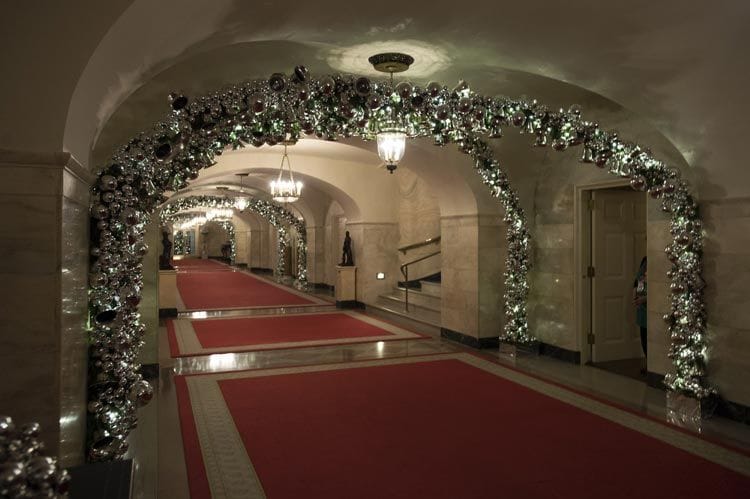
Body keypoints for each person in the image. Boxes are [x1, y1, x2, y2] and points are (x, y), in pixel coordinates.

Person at [633, 256, 648, 360]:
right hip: (642, 308)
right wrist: (635, 297)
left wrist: (644, 299)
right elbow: (638, 282)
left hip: (648, 307)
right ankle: (648, 362)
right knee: (644, 338)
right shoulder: (645, 261)